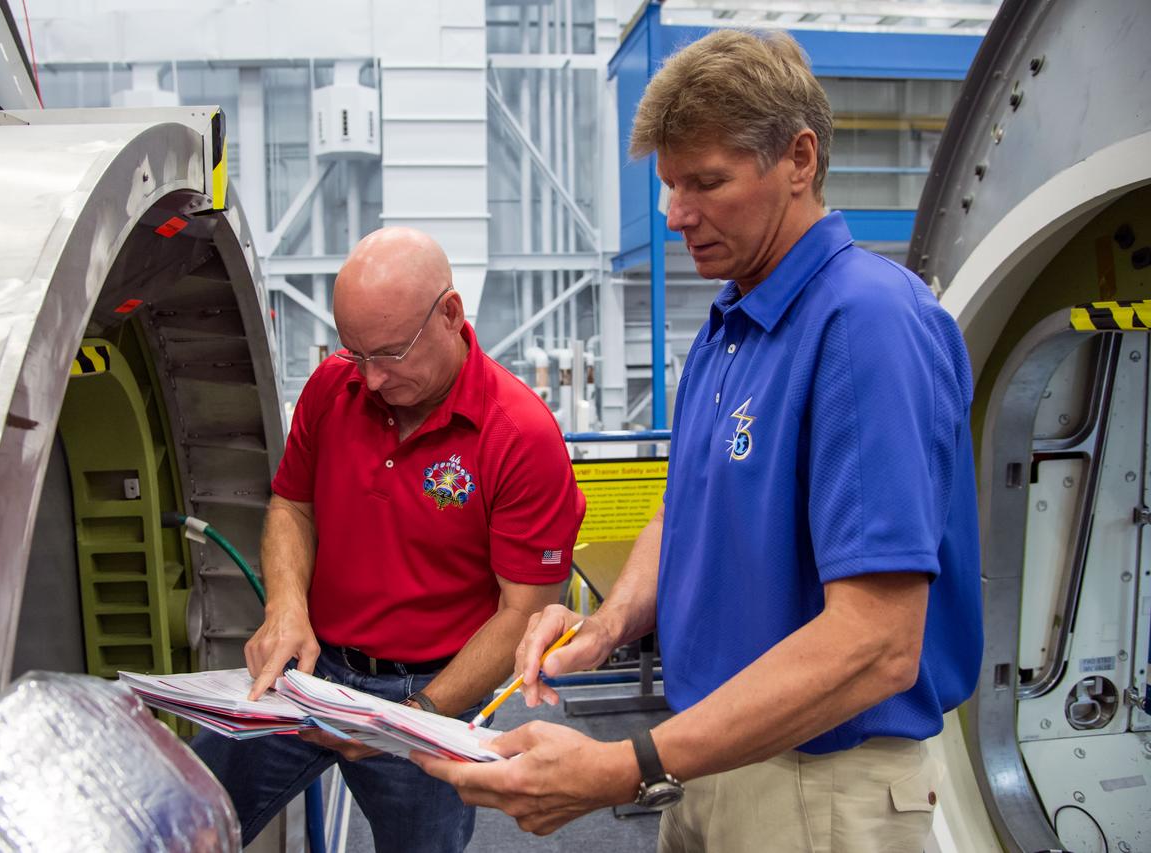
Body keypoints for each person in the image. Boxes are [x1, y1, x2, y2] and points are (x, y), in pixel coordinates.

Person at [416, 28, 982, 852]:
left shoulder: (866, 323)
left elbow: (877, 644)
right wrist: (605, 626)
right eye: (671, 184)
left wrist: (623, 765)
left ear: (799, 159)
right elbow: (684, 510)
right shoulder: (730, 326)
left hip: (818, 783)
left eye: (707, 182)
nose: (676, 214)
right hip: (709, 754)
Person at [193, 226, 585, 851]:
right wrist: (286, 608)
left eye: (389, 354)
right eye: (355, 352)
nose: (369, 379)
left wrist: (413, 719)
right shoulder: (332, 386)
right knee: (186, 810)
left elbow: (527, 610)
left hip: (429, 693)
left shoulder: (520, 437)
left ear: (451, 314)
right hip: (310, 670)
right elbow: (292, 504)